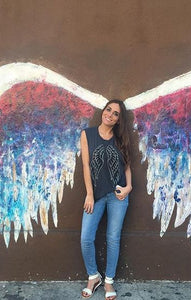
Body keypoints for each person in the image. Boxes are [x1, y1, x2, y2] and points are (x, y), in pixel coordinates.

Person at [80, 100, 132, 299]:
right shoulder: (87, 134)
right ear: (103, 111)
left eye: (116, 113)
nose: (110, 114)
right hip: (96, 194)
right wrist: (90, 194)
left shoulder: (120, 139)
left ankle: (109, 281)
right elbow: (85, 166)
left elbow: (127, 166)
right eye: (108, 109)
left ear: (119, 120)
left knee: (112, 239)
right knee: (86, 237)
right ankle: (94, 276)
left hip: (118, 195)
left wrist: (129, 187)